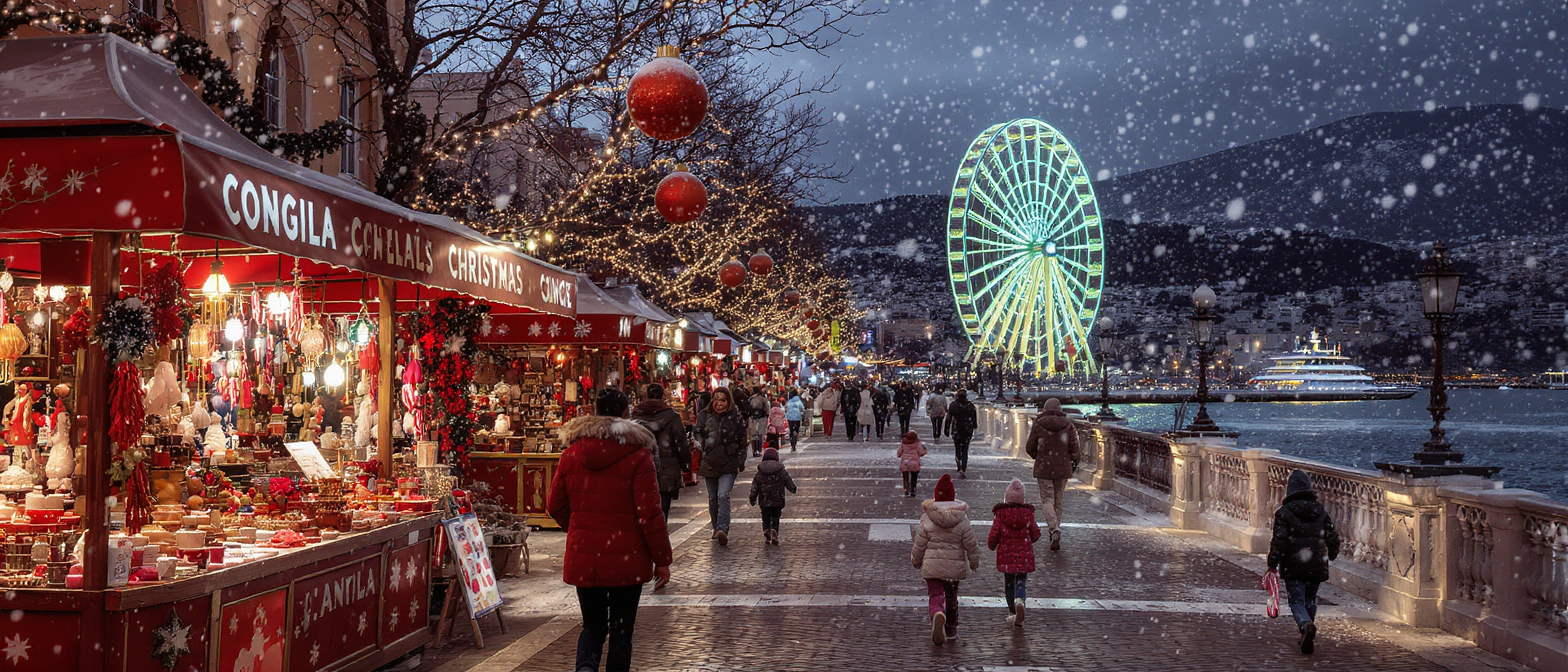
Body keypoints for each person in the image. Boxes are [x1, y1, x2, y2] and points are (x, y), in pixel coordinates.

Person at [547, 389, 673, 672]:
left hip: (585, 556)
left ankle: (585, 668)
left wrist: (580, 530)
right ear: (626, 413)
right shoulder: (639, 455)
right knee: (621, 632)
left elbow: (555, 505)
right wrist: (662, 559)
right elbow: (650, 514)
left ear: (596, 412)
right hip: (627, 558)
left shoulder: (572, 453)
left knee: (592, 626)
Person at [1268, 470, 1341, 655]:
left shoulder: (1284, 512)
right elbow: (1331, 535)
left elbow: (1279, 540)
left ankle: (1304, 625)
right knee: (1310, 599)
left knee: (1296, 600)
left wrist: (1272, 562)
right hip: (1316, 562)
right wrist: (1332, 553)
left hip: (1293, 562)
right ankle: (1306, 632)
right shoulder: (1320, 510)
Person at [911, 473, 980, 645]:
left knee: (935, 594)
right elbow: (971, 544)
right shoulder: (962, 519)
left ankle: (937, 613)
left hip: (932, 566)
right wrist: (974, 561)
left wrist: (916, 560)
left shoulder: (927, 518)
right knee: (951, 597)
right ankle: (951, 629)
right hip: (953, 569)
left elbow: (919, 544)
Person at [628, 384, 692, 520]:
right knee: (663, 508)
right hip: (667, 469)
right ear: (663, 396)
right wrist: (686, 465)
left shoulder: (635, 416)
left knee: (644, 508)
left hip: (642, 467)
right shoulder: (672, 417)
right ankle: (661, 529)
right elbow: (681, 443)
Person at [695, 387, 749, 546]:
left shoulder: (735, 416)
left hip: (729, 462)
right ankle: (715, 526)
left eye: (723, 400)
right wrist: (703, 447)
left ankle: (722, 528)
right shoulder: (704, 415)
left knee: (723, 495)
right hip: (709, 462)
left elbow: (742, 440)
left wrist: (740, 461)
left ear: (728, 401)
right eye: (716, 399)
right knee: (713, 498)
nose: (719, 403)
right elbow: (697, 433)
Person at [1023, 398, 1078, 552]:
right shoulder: (1068, 425)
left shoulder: (1039, 424)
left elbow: (1029, 447)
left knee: (1047, 500)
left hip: (1044, 468)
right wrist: (1073, 462)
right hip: (1062, 468)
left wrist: (1039, 456)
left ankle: (1054, 529)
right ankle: (1055, 529)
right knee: (1058, 501)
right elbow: (1075, 448)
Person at [988, 478, 1040, 628]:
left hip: (1007, 555)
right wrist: (1029, 540)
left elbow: (994, 534)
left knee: (1009, 583)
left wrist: (992, 545)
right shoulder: (1028, 514)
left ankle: (1012, 611)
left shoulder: (1000, 514)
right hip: (1024, 555)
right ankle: (1020, 601)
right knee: (1021, 581)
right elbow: (1035, 533)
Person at [747, 447, 798, 545]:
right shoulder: (781, 470)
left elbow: (755, 487)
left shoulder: (760, 472)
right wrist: (793, 488)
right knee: (776, 517)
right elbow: (788, 481)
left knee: (765, 517)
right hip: (778, 499)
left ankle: (767, 531)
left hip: (764, 500)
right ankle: (774, 531)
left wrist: (752, 498)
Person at [946, 390, 978, 478]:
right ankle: (963, 468)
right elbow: (974, 418)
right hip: (967, 430)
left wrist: (947, 429)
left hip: (956, 430)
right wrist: (974, 426)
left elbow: (949, 418)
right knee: (965, 449)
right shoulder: (970, 406)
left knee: (957, 448)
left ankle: (959, 464)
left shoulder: (953, 405)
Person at [896, 430, 928, 497]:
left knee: (905, 476)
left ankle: (906, 487)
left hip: (905, 462)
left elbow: (899, 453)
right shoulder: (917, 443)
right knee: (914, 476)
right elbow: (922, 452)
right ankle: (913, 489)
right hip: (914, 463)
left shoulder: (904, 443)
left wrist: (900, 455)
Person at [747, 386, 769, 457]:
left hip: (753, 418)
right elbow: (766, 408)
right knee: (760, 434)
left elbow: (748, 408)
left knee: (754, 435)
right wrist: (767, 415)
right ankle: (759, 450)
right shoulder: (762, 398)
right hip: (762, 418)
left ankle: (755, 450)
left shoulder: (750, 398)